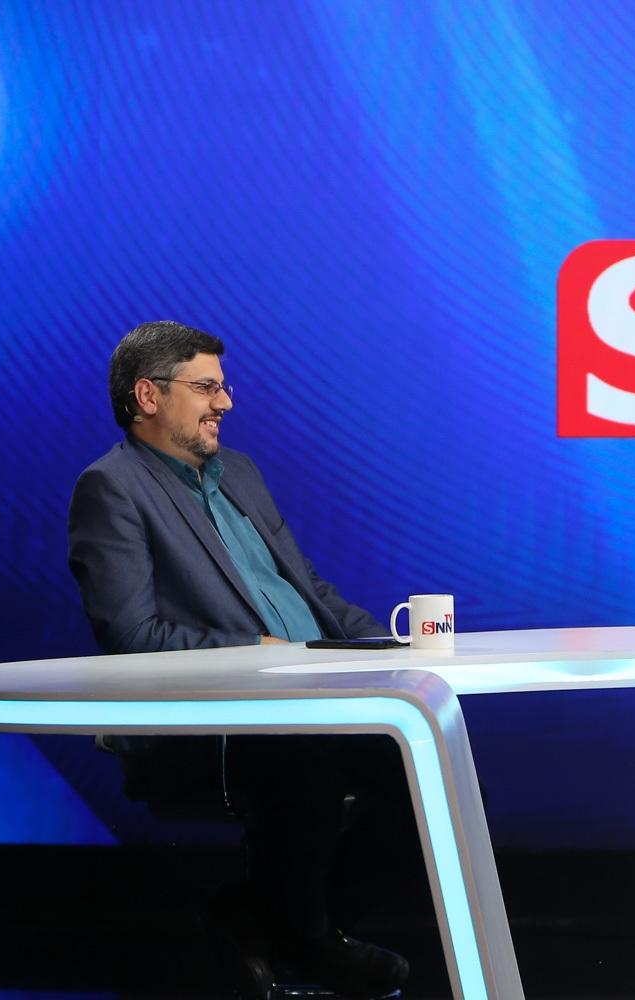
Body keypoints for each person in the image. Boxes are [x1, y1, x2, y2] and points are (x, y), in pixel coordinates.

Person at [67, 320, 417, 999]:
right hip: (212, 723)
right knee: (305, 777)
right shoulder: (111, 487)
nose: (224, 403)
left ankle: (267, 925)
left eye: (222, 388)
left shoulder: (242, 475)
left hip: (307, 706)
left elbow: (310, 593)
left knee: (425, 775)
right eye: (206, 388)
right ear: (147, 395)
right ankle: (308, 943)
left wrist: (392, 650)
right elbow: (132, 634)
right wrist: (254, 652)